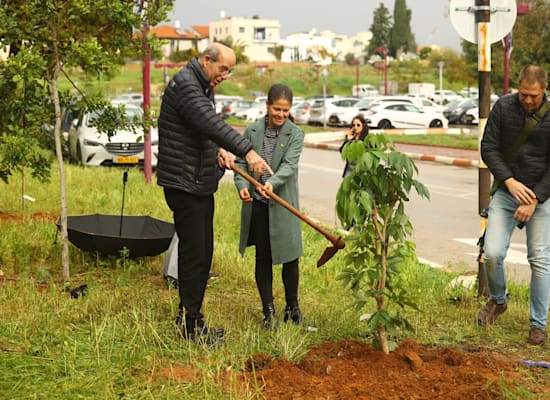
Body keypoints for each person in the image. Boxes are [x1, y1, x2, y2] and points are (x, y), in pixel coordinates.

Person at [156, 42, 272, 344]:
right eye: (223, 68)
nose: (226, 75)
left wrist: (219, 150)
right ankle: (190, 327)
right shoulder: (187, 85)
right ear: (207, 60)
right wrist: (248, 151)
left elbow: (202, 130)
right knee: (195, 256)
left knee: (203, 253)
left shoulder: (201, 84)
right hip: (185, 184)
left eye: (231, 71)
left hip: (197, 182)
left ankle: (191, 319)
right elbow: (211, 123)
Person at [478, 64, 550, 346]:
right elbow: (489, 147)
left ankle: (538, 324)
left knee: (540, 259)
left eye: (533, 95)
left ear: (544, 89)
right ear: (518, 86)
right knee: (492, 252)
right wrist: (508, 181)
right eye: (524, 94)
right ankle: (498, 300)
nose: (528, 100)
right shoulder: (503, 107)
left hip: (541, 196)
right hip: (508, 192)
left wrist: (535, 199)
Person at [233, 83, 305, 330]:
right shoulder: (252, 131)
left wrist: (272, 183)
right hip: (259, 206)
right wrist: (242, 184)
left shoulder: (295, 134)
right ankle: (268, 311)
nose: (281, 115)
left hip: (283, 204)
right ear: (267, 105)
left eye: (285, 111)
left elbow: (289, 166)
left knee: (290, 257)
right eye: (277, 109)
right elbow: (240, 162)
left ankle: (292, 307)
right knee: (263, 258)